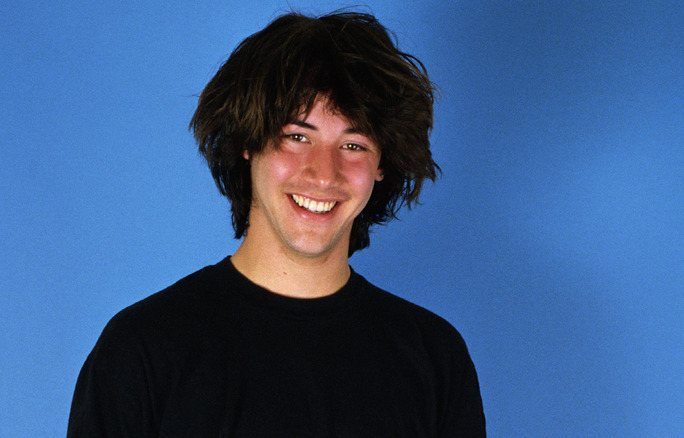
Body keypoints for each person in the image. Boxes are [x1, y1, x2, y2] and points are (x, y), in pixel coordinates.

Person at [67, 11, 485, 437]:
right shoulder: (142, 350)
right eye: (297, 136)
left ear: (383, 164)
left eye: (353, 144)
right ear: (248, 141)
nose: (325, 173)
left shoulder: (434, 359)